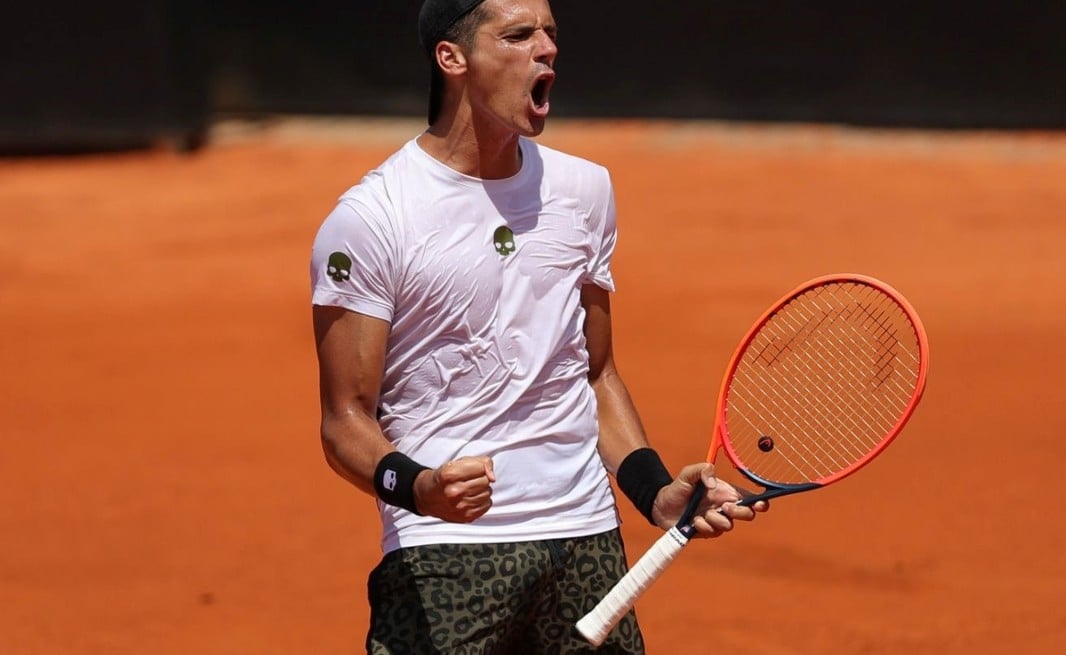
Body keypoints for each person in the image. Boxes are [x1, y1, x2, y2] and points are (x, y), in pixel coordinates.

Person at [308, 0, 766, 652]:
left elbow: (595, 370)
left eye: (550, 33)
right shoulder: (373, 218)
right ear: (453, 57)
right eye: (519, 35)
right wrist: (420, 486)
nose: (546, 48)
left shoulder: (584, 192)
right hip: (446, 553)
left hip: (584, 542)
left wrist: (656, 491)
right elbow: (345, 419)